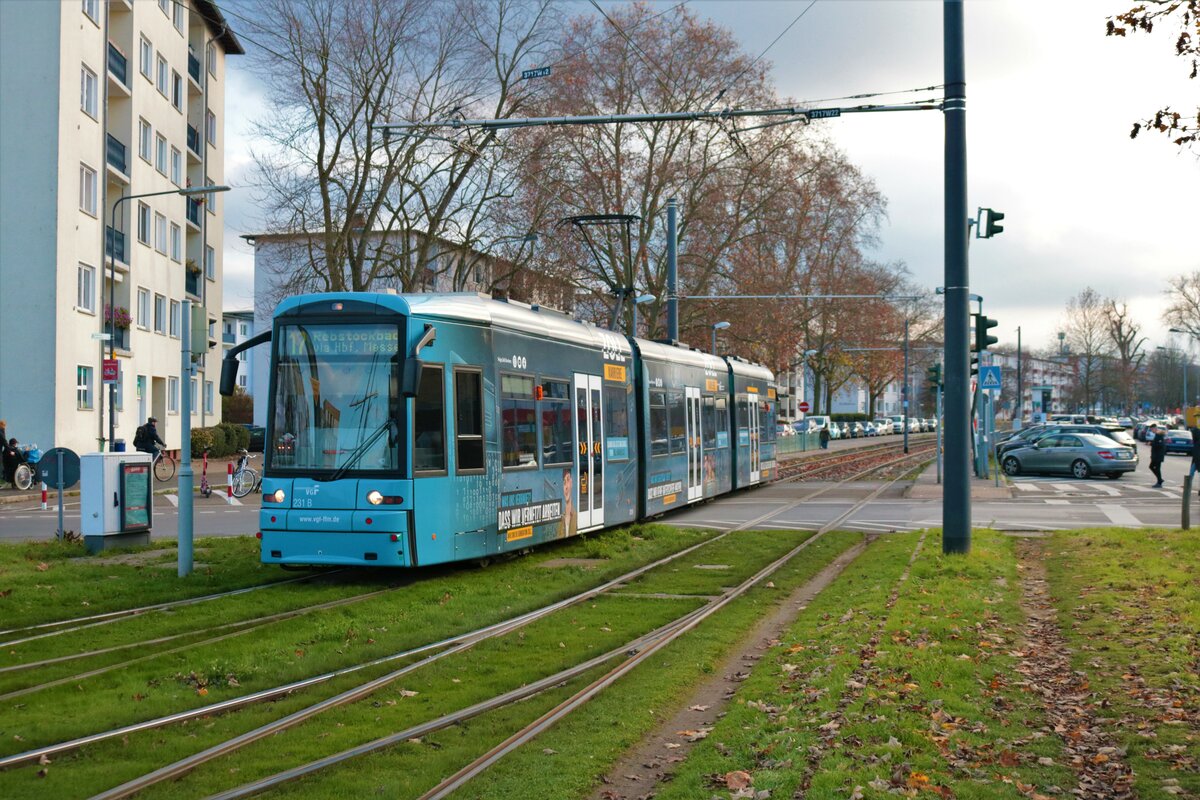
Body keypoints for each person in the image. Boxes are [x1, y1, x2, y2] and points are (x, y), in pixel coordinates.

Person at [558, 468, 577, 539]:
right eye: (564, 483)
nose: (566, 487)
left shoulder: (576, 516)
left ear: (571, 482)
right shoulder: (560, 518)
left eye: (568, 480)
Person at [1148, 423, 1165, 488]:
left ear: (1155, 428)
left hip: (1158, 455)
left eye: (1152, 429)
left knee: (1155, 468)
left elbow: (1160, 445)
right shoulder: (1157, 435)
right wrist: (1152, 443)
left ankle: (1159, 481)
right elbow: (1157, 443)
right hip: (1156, 455)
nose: (1151, 431)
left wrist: (1152, 443)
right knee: (1153, 467)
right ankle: (1160, 480)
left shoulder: (1159, 435)